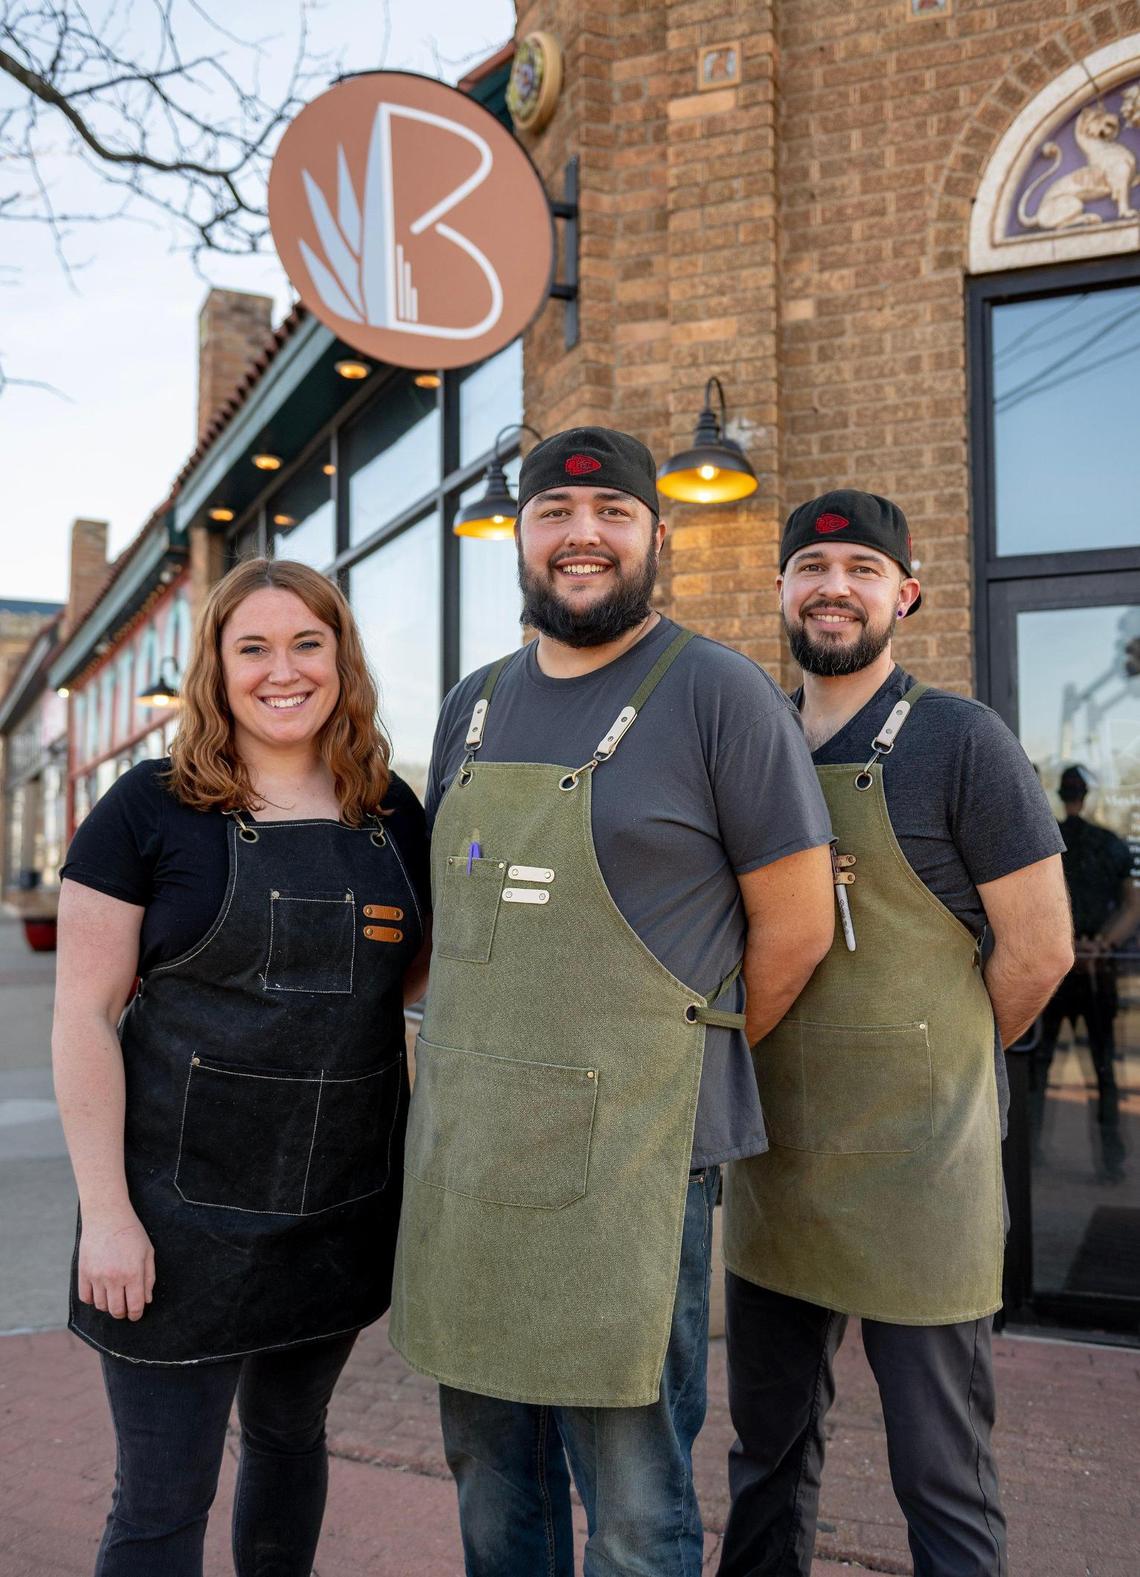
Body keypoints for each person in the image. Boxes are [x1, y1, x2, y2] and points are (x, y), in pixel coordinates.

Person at [389, 426, 836, 1576]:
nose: (581, 535)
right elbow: (448, 926)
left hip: (634, 1172)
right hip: (477, 1160)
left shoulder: (720, 695)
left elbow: (795, 929)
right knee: (492, 1487)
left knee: (636, 1512)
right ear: (524, 536)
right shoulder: (472, 707)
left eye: (611, 513)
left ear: (657, 533)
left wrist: (663, 1067)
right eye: (554, 513)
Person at [719, 490, 1074, 1577]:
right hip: (777, 1159)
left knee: (940, 1471)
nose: (835, 587)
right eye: (814, 570)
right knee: (767, 1452)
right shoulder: (752, 742)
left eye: (863, 570)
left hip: (923, 1170)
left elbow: (1040, 950)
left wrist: (939, 1059)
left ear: (904, 594)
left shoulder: (961, 741)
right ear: (781, 591)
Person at [52, 558, 430, 1577]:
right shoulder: (146, 809)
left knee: (289, 1441)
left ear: (341, 659)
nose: (282, 670)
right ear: (216, 669)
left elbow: (410, 1000)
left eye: (307, 643)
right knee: (163, 1496)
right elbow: (82, 1018)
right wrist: (108, 1214)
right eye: (252, 646)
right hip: (173, 1217)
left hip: (335, 1211)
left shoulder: (392, 809)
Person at [1031, 765, 1140, 1182]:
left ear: (1061, 794)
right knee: (1101, 1070)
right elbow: (1132, 905)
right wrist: (1103, 944)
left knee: (1044, 1069)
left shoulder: (1052, 842)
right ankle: (1108, 1163)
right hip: (1087, 965)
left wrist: (1087, 945)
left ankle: (1036, 1155)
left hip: (1071, 967)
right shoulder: (1103, 843)